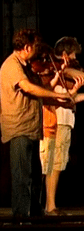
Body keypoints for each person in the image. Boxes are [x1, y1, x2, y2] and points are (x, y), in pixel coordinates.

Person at [0, 29, 71, 218]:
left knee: (34, 179)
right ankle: (21, 220)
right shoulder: (11, 65)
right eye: (35, 48)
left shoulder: (25, 65)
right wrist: (57, 94)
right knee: (22, 179)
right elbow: (28, 87)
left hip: (32, 129)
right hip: (19, 129)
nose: (37, 53)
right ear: (27, 47)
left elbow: (41, 91)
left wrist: (58, 91)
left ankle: (36, 217)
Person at [39, 36, 84, 216]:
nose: (76, 61)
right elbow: (69, 72)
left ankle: (50, 205)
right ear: (64, 54)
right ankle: (50, 207)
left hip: (64, 122)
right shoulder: (58, 70)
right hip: (56, 122)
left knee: (58, 164)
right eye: (74, 55)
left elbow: (72, 97)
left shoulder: (62, 73)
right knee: (53, 165)